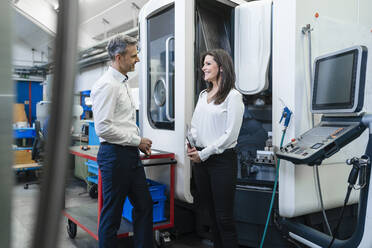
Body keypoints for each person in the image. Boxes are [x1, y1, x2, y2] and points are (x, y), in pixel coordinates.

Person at [91, 35, 153, 248]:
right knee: (112, 215)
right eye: (133, 55)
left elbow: (123, 122)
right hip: (115, 157)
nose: (137, 59)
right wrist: (137, 141)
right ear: (119, 57)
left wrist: (136, 143)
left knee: (144, 205)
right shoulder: (107, 85)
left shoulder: (123, 82)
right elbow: (104, 128)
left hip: (128, 155)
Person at [187, 49, 244, 248]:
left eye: (208, 63)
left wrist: (204, 153)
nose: (203, 67)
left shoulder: (233, 96)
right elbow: (195, 125)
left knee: (224, 218)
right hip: (201, 161)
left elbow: (230, 136)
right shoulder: (203, 95)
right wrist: (192, 145)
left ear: (221, 67)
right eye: (203, 64)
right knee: (211, 217)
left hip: (221, 162)